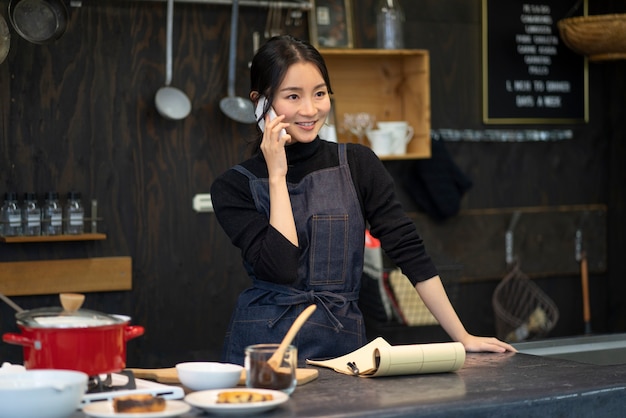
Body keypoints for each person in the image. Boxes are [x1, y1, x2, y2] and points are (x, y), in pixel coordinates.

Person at [210, 35, 515, 365]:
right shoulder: (232, 187)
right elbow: (282, 269)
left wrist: (463, 337)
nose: (310, 109)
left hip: (341, 342)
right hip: (262, 348)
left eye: (320, 93)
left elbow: (408, 249)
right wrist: (276, 176)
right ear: (260, 102)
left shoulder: (358, 163)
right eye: (293, 96)